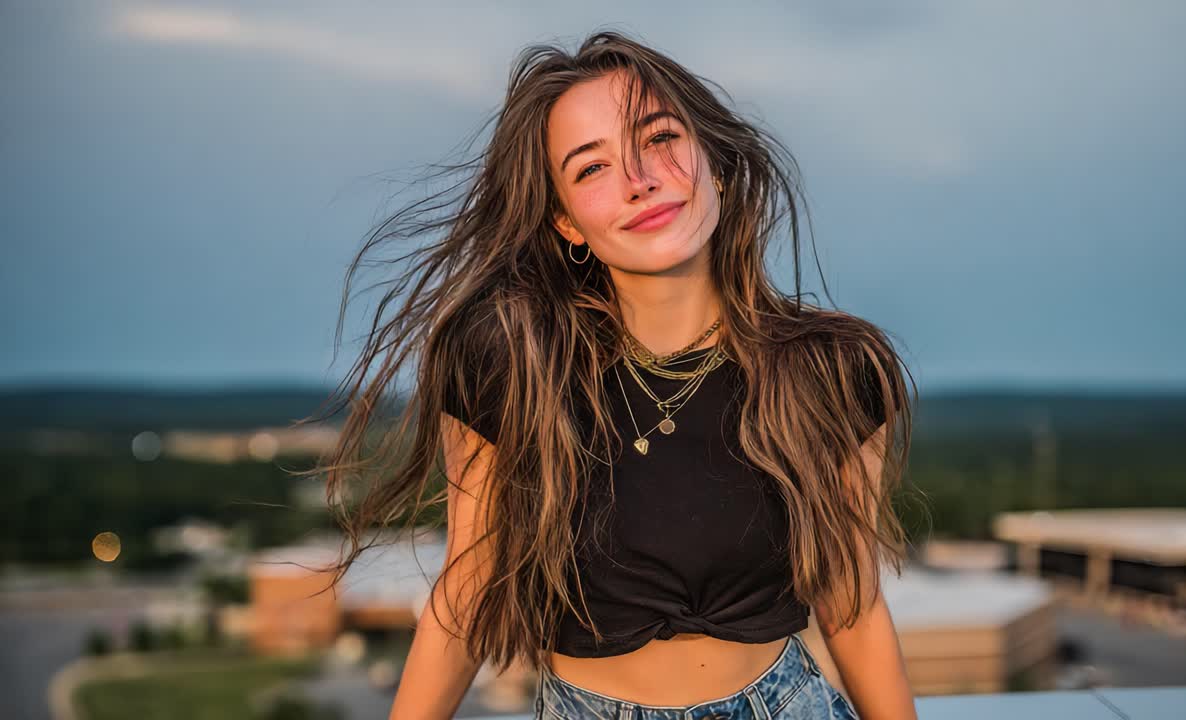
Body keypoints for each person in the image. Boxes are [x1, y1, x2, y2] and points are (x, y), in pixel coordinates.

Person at [310, 30, 920, 720]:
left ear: (713, 160)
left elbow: (853, 604)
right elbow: (466, 593)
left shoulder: (833, 368)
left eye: (658, 138)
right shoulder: (510, 367)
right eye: (591, 168)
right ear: (566, 221)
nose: (640, 180)